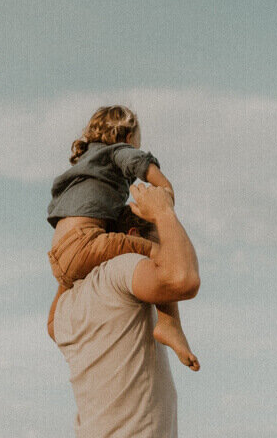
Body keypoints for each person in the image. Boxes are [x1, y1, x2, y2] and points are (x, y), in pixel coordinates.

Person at [46, 105, 199, 369]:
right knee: (160, 253)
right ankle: (169, 324)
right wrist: (165, 193)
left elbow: (52, 327)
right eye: (137, 142)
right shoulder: (116, 151)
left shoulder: (84, 166)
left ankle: (169, 325)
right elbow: (139, 163)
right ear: (128, 137)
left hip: (60, 256)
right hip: (85, 242)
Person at [49, 183, 201, 438]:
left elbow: (53, 327)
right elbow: (182, 279)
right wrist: (164, 213)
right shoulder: (120, 270)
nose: (167, 249)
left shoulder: (67, 306)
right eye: (160, 239)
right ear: (133, 237)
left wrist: (75, 257)